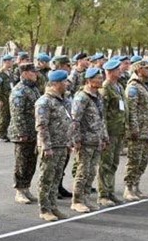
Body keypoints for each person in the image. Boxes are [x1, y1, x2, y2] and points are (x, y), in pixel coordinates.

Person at [34, 69, 73, 222]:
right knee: (46, 178)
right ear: (55, 84)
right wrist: (46, 146)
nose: (67, 84)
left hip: (62, 144)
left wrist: (69, 142)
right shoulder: (44, 101)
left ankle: (53, 206)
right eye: (64, 82)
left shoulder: (64, 100)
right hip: (50, 146)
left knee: (56, 177)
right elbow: (41, 126)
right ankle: (44, 209)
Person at [70, 66, 108, 212]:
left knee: (91, 171)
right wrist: (76, 140)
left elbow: (101, 118)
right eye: (98, 78)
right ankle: (77, 200)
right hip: (85, 141)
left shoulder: (98, 96)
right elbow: (75, 121)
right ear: (89, 80)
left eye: (101, 78)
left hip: (96, 140)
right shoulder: (81, 97)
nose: (101, 80)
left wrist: (104, 137)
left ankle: (85, 197)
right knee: (82, 171)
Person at [123, 56, 148, 200]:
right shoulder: (133, 87)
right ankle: (128, 188)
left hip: (147, 130)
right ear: (139, 70)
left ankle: (136, 186)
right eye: (146, 69)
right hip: (138, 131)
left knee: (143, 160)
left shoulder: (144, 85)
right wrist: (133, 129)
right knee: (134, 161)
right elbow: (132, 110)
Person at [8, 64, 41, 204]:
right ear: (25, 73)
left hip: (33, 131)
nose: (36, 74)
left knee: (31, 161)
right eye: (33, 72)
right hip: (23, 133)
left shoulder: (33, 89)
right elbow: (17, 113)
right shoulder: (19, 90)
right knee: (22, 162)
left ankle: (26, 187)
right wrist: (22, 132)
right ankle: (19, 190)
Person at [97, 58, 126, 204]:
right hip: (109, 131)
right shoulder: (105, 88)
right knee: (105, 163)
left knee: (114, 163)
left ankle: (110, 191)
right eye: (117, 69)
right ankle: (103, 194)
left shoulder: (118, 87)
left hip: (119, 130)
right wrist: (104, 134)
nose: (120, 71)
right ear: (109, 72)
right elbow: (102, 114)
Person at [0, 55, 15, 142]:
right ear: (6, 62)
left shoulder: (9, 73)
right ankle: (0, 133)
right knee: (3, 116)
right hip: (3, 98)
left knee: (8, 116)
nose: (11, 63)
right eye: (10, 61)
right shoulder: (1, 73)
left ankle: (4, 133)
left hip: (9, 97)